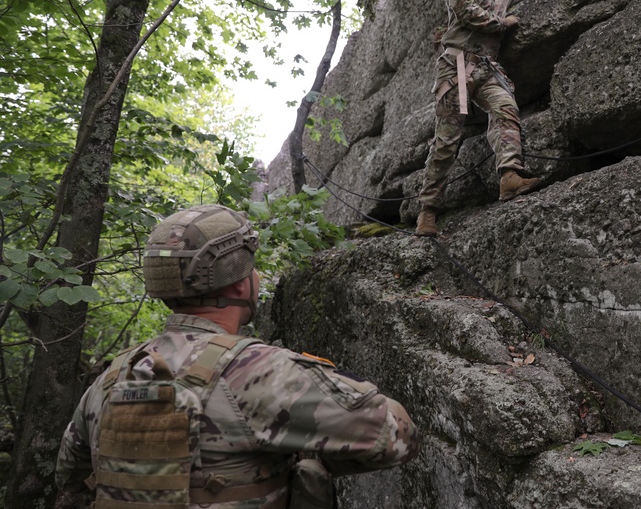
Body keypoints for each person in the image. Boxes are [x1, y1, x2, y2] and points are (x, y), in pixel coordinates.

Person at [55, 204, 419, 508]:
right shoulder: (261, 371)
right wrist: (304, 454)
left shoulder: (113, 376)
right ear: (242, 283)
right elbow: (397, 436)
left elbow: (71, 477)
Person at [415, 0, 564, 237]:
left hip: (486, 69)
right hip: (456, 69)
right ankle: (428, 211)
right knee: (446, 141)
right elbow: (464, 9)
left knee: (506, 108)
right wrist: (501, 23)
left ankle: (509, 176)